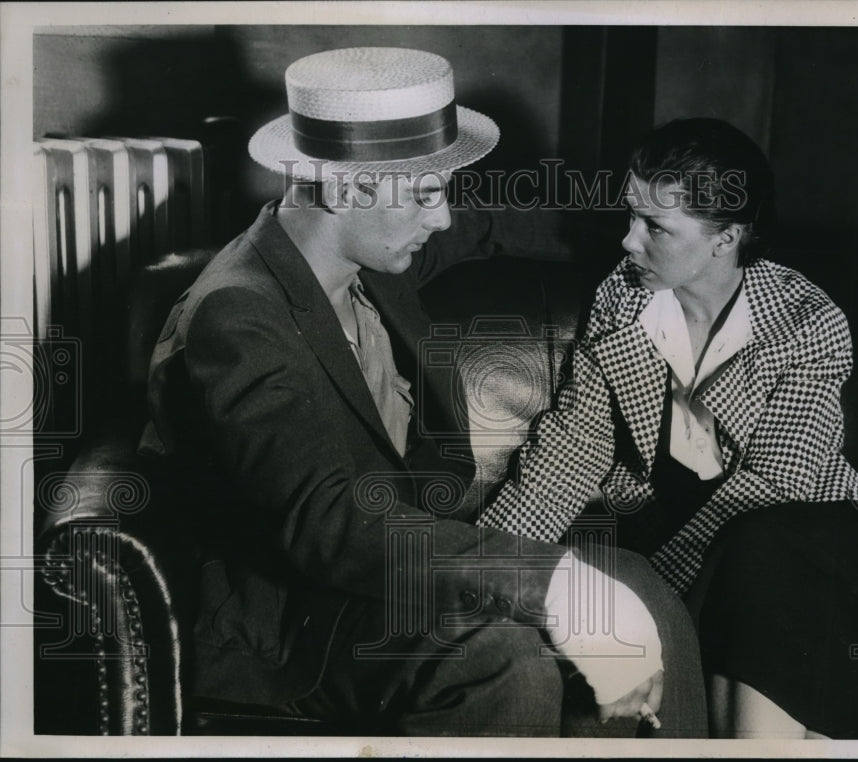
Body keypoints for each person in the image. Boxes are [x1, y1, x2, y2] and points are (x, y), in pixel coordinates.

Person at [140, 47, 707, 737]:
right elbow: (330, 523)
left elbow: (492, 222)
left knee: (642, 587)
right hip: (295, 620)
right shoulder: (237, 316)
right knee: (502, 654)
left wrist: (672, 249)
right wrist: (554, 581)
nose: (440, 218)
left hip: (386, 579)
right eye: (427, 193)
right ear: (347, 191)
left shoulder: (364, 254)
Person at [478, 117, 858, 737]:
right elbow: (571, 445)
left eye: (655, 227)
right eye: (630, 216)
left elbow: (779, 482)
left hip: (823, 537)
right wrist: (482, 567)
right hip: (722, 564)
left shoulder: (807, 320)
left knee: (758, 552)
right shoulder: (622, 300)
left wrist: (659, 597)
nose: (627, 242)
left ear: (726, 237)